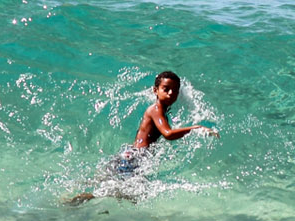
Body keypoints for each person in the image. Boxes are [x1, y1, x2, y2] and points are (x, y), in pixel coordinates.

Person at [64, 71, 216, 205]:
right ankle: (82, 199)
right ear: (155, 90)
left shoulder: (159, 110)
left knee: (114, 186)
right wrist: (196, 128)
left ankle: (75, 198)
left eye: (175, 91)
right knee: (132, 194)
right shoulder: (156, 110)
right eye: (166, 89)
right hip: (136, 157)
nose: (171, 93)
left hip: (131, 154)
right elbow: (168, 134)